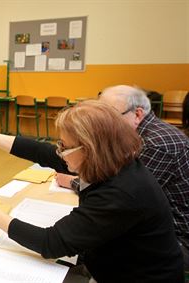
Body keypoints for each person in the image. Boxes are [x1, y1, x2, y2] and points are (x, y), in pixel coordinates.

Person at [0, 100, 184, 282]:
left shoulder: (121, 192)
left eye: (65, 147)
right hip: (112, 263)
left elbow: (52, 243)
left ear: (89, 149)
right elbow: (43, 152)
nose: (60, 151)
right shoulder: (112, 161)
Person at [58, 85, 189, 272]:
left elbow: (119, 196)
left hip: (176, 240)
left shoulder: (156, 144)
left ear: (137, 114)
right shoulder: (141, 133)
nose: (104, 122)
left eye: (111, 115)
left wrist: (73, 181)